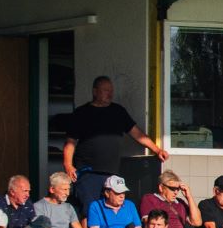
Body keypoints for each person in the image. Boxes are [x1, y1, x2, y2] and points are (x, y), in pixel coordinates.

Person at [61, 74, 165, 215]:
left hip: (111, 172)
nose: (109, 94)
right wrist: (68, 165)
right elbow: (70, 142)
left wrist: (157, 150)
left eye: (111, 90)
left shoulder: (118, 111)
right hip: (88, 171)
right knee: (89, 209)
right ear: (95, 91)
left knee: (109, 209)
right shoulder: (82, 113)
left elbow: (137, 134)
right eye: (105, 90)